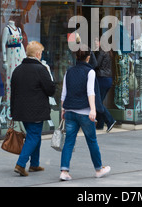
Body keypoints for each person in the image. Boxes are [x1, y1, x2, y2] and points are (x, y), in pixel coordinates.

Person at [60, 44, 111, 181]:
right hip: (84, 112)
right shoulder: (90, 72)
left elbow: (64, 93)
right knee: (92, 141)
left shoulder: (69, 71)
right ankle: (98, 169)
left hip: (70, 111)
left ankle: (64, 171)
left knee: (69, 142)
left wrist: (63, 110)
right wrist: (93, 110)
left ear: (76, 56)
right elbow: (91, 92)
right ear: (89, 57)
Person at [10, 41, 56, 176]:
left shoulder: (17, 70)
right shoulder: (41, 69)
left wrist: (13, 112)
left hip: (21, 111)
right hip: (36, 111)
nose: (41, 55)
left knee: (34, 136)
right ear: (37, 54)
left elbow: (13, 93)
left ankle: (34, 164)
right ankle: (21, 164)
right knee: (34, 136)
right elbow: (50, 90)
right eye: (40, 53)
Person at [94, 37, 116, 132]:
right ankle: (100, 124)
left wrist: (93, 54)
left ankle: (110, 120)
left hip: (101, 79)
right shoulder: (107, 51)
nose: (94, 42)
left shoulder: (101, 52)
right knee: (100, 101)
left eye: (96, 41)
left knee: (97, 102)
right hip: (107, 79)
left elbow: (96, 64)